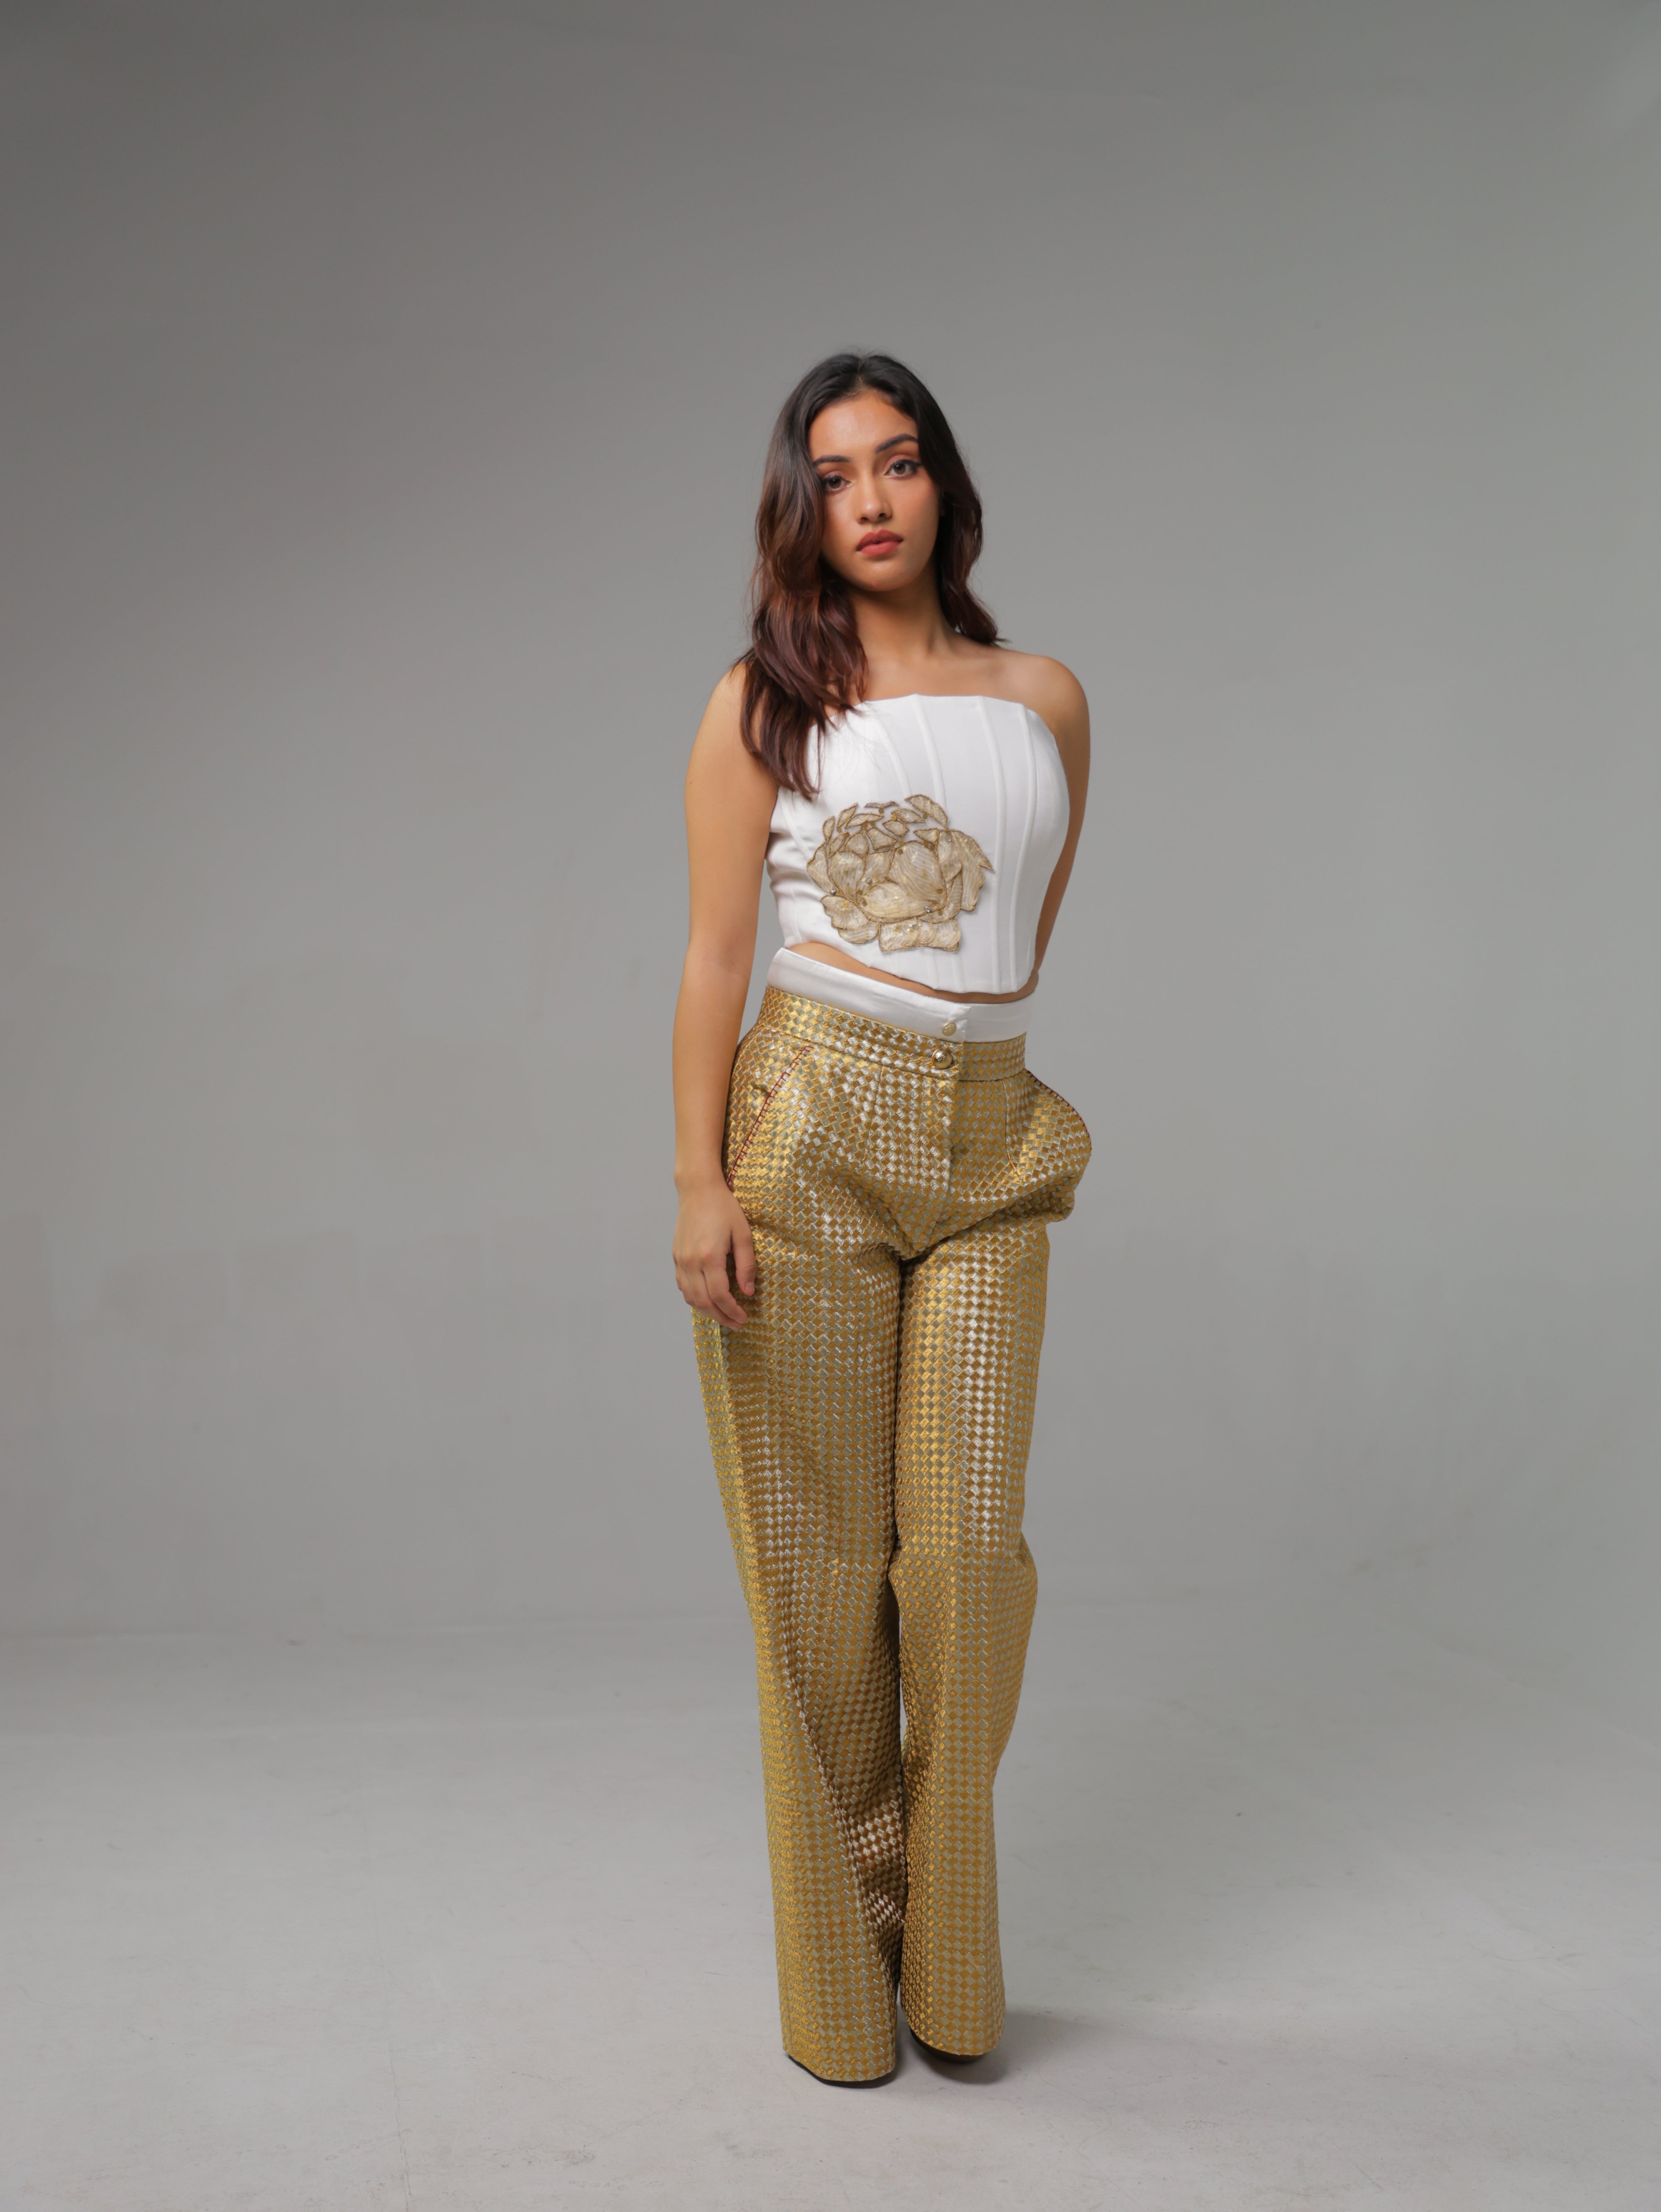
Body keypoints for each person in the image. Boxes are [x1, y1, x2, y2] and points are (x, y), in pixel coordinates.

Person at [671, 351, 1091, 2084]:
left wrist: (955, 1054)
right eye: (836, 471)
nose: (871, 498)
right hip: (810, 1124)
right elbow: (716, 957)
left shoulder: (1046, 697)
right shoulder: (763, 705)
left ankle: (951, 1952)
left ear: (943, 487)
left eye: (900, 461)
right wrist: (698, 1180)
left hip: (992, 1133)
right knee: (820, 1574)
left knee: (967, 1563)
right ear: (802, 507)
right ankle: (846, 1990)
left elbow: (1022, 932)